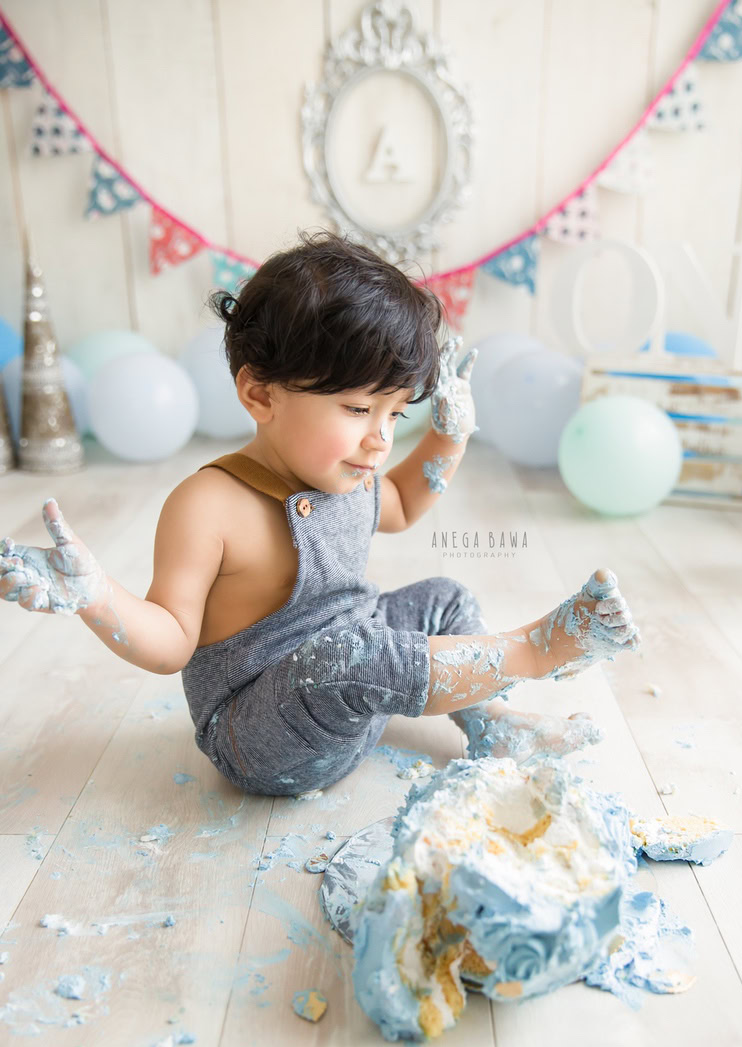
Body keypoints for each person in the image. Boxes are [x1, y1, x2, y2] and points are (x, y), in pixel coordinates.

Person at [0, 231, 639, 797]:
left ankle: (489, 724)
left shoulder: (349, 476)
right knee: (349, 654)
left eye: (397, 415)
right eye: (360, 411)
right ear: (259, 393)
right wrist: (94, 597)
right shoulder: (209, 504)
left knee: (442, 598)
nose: (381, 440)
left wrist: (450, 436)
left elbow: (406, 504)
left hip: (352, 689)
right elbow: (170, 643)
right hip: (262, 735)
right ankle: (535, 648)